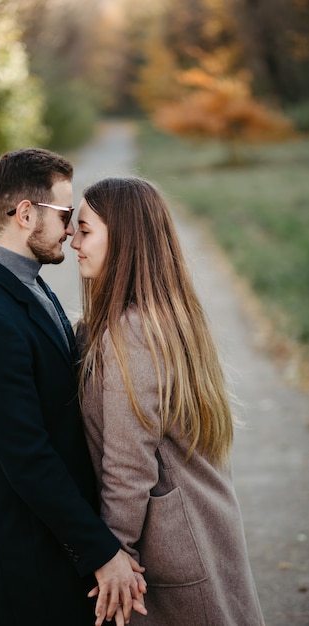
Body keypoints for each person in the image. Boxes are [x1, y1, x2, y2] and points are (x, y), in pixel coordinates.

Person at [0, 150, 147, 626]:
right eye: (65, 215)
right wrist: (103, 551)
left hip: (54, 545)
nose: (71, 231)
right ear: (25, 214)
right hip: (27, 560)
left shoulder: (26, 282)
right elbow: (27, 458)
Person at [71, 176, 266, 625]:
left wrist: (112, 555)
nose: (73, 241)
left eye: (85, 230)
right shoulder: (165, 316)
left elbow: (128, 464)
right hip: (202, 527)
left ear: (122, 238)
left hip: (171, 553)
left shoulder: (131, 335)